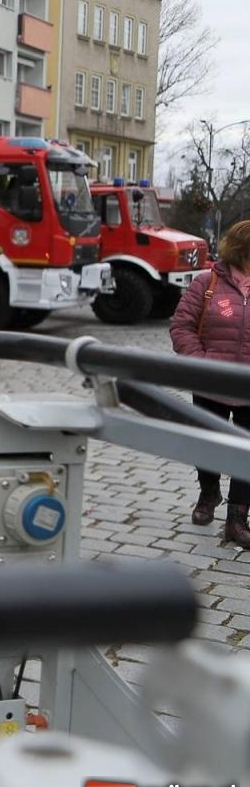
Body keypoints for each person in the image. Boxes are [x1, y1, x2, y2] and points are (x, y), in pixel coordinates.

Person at [170, 219, 250, 548]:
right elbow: (182, 326)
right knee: (207, 444)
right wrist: (200, 363)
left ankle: (237, 519)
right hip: (210, 380)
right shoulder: (207, 282)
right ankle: (209, 492)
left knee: (247, 451)